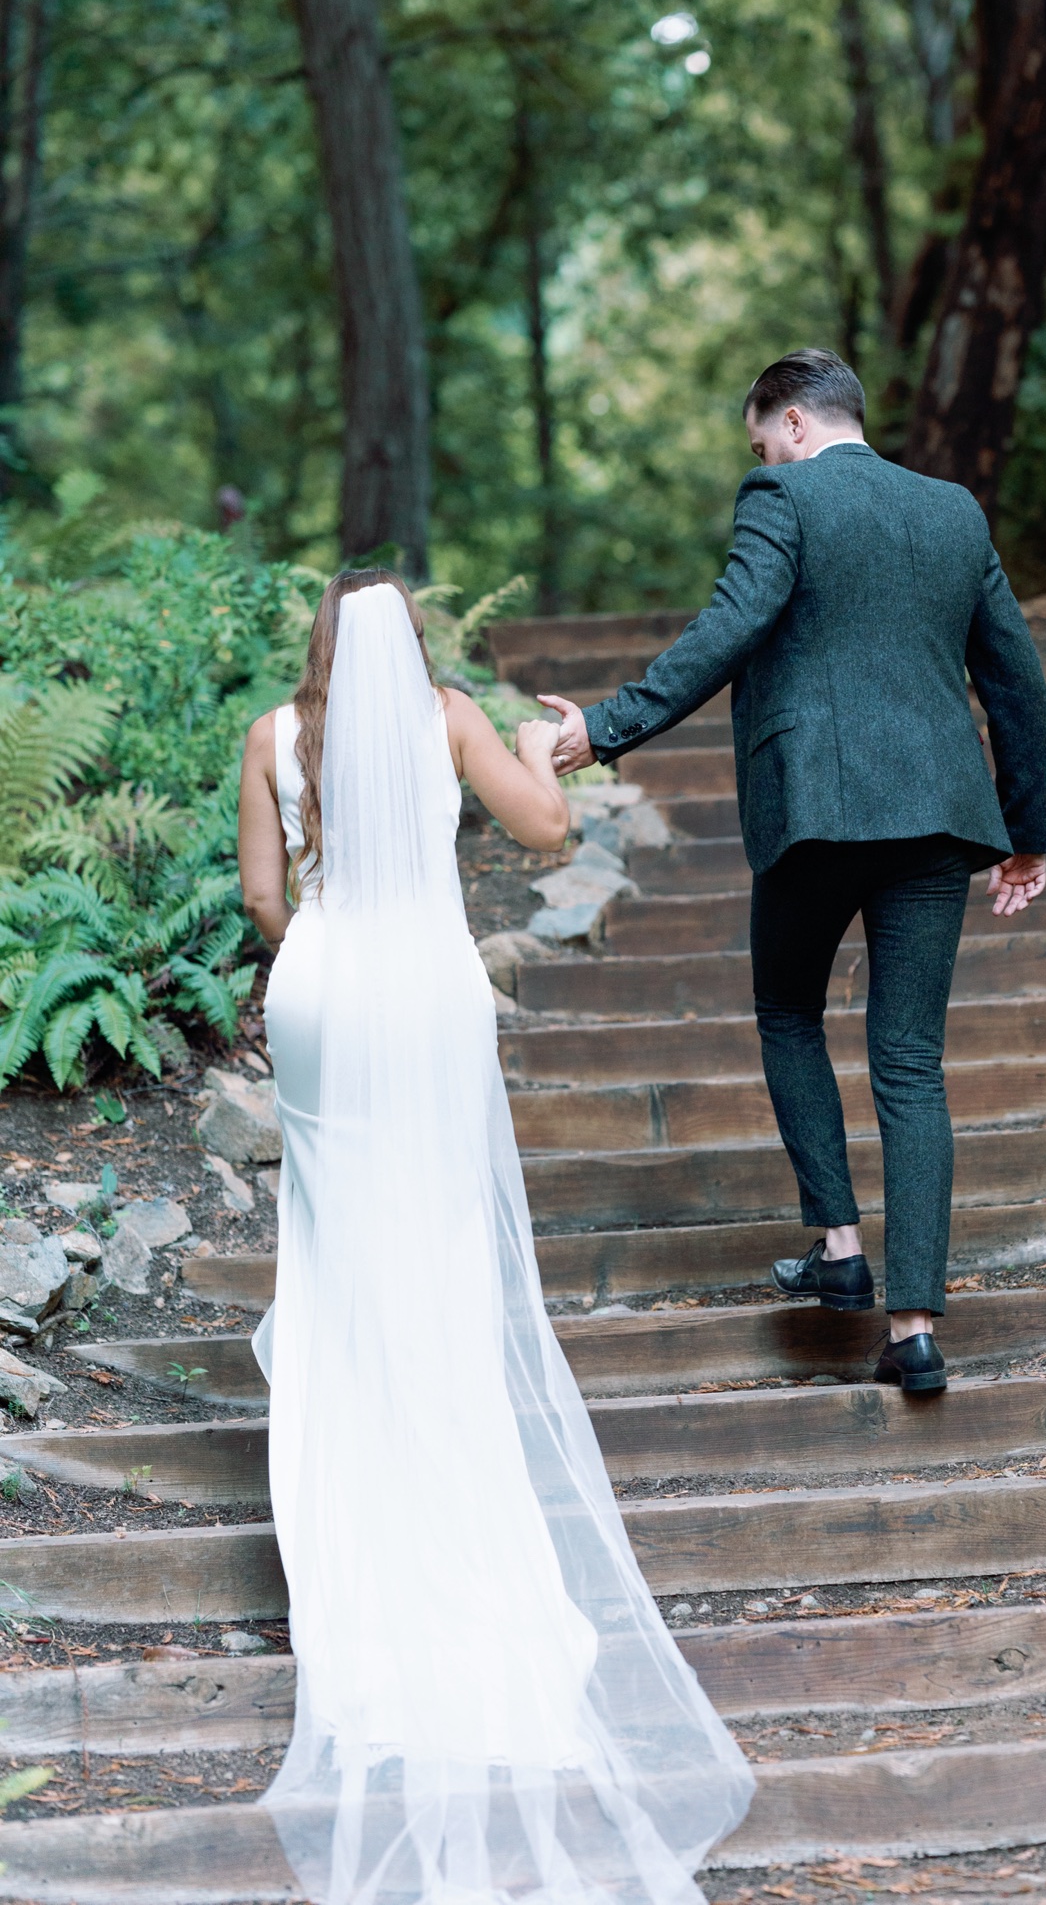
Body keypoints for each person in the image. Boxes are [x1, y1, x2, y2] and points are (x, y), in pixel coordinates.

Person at [237, 573, 754, 1904]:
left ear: (320, 647)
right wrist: (537, 746)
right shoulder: (452, 716)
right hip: (427, 983)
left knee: (339, 1255)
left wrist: (328, 947)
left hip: (329, 990)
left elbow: (263, 903)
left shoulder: (272, 738)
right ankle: (456, 1518)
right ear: (416, 647)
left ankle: (353, 1535)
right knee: (444, 1251)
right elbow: (544, 830)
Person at [541, 349, 1046, 1395]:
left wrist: (607, 725)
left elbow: (731, 623)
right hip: (937, 816)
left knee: (787, 1012)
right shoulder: (953, 510)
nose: (762, 454)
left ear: (793, 425)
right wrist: (1025, 826)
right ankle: (911, 1328)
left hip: (814, 808)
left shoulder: (782, 494)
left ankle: (838, 1246)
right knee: (910, 1063)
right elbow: (1014, 671)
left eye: (761, 437)